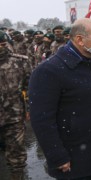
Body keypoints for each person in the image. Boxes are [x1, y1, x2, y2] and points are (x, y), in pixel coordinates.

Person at [28, 18, 91, 180]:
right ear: (80, 40)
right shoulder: (49, 70)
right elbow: (42, 119)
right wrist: (57, 156)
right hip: (73, 157)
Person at [0, 30, 31, 180]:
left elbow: (30, 88)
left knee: (16, 155)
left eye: (2, 44)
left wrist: (29, 109)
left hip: (14, 116)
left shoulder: (20, 61)